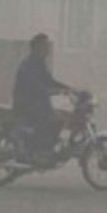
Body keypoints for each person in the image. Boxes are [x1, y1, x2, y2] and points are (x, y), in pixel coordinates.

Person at [12, 33, 73, 165]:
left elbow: (48, 81)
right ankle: (38, 151)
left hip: (36, 101)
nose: (47, 50)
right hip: (25, 104)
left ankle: (47, 148)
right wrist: (53, 92)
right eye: (44, 46)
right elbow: (36, 87)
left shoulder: (39, 63)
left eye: (47, 46)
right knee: (51, 117)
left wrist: (67, 88)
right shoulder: (27, 65)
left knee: (59, 118)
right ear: (36, 48)